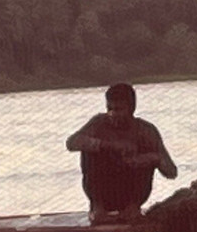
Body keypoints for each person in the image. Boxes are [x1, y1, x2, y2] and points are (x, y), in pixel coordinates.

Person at [66, 83, 178, 224]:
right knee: (89, 149)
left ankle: (132, 209)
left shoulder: (145, 130)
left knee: (149, 157)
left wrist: (151, 159)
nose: (113, 114)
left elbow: (171, 172)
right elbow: (72, 143)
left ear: (131, 109)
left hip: (131, 193)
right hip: (103, 192)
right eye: (109, 109)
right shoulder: (98, 124)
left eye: (118, 109)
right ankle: (98, 209)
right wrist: (109, 146)